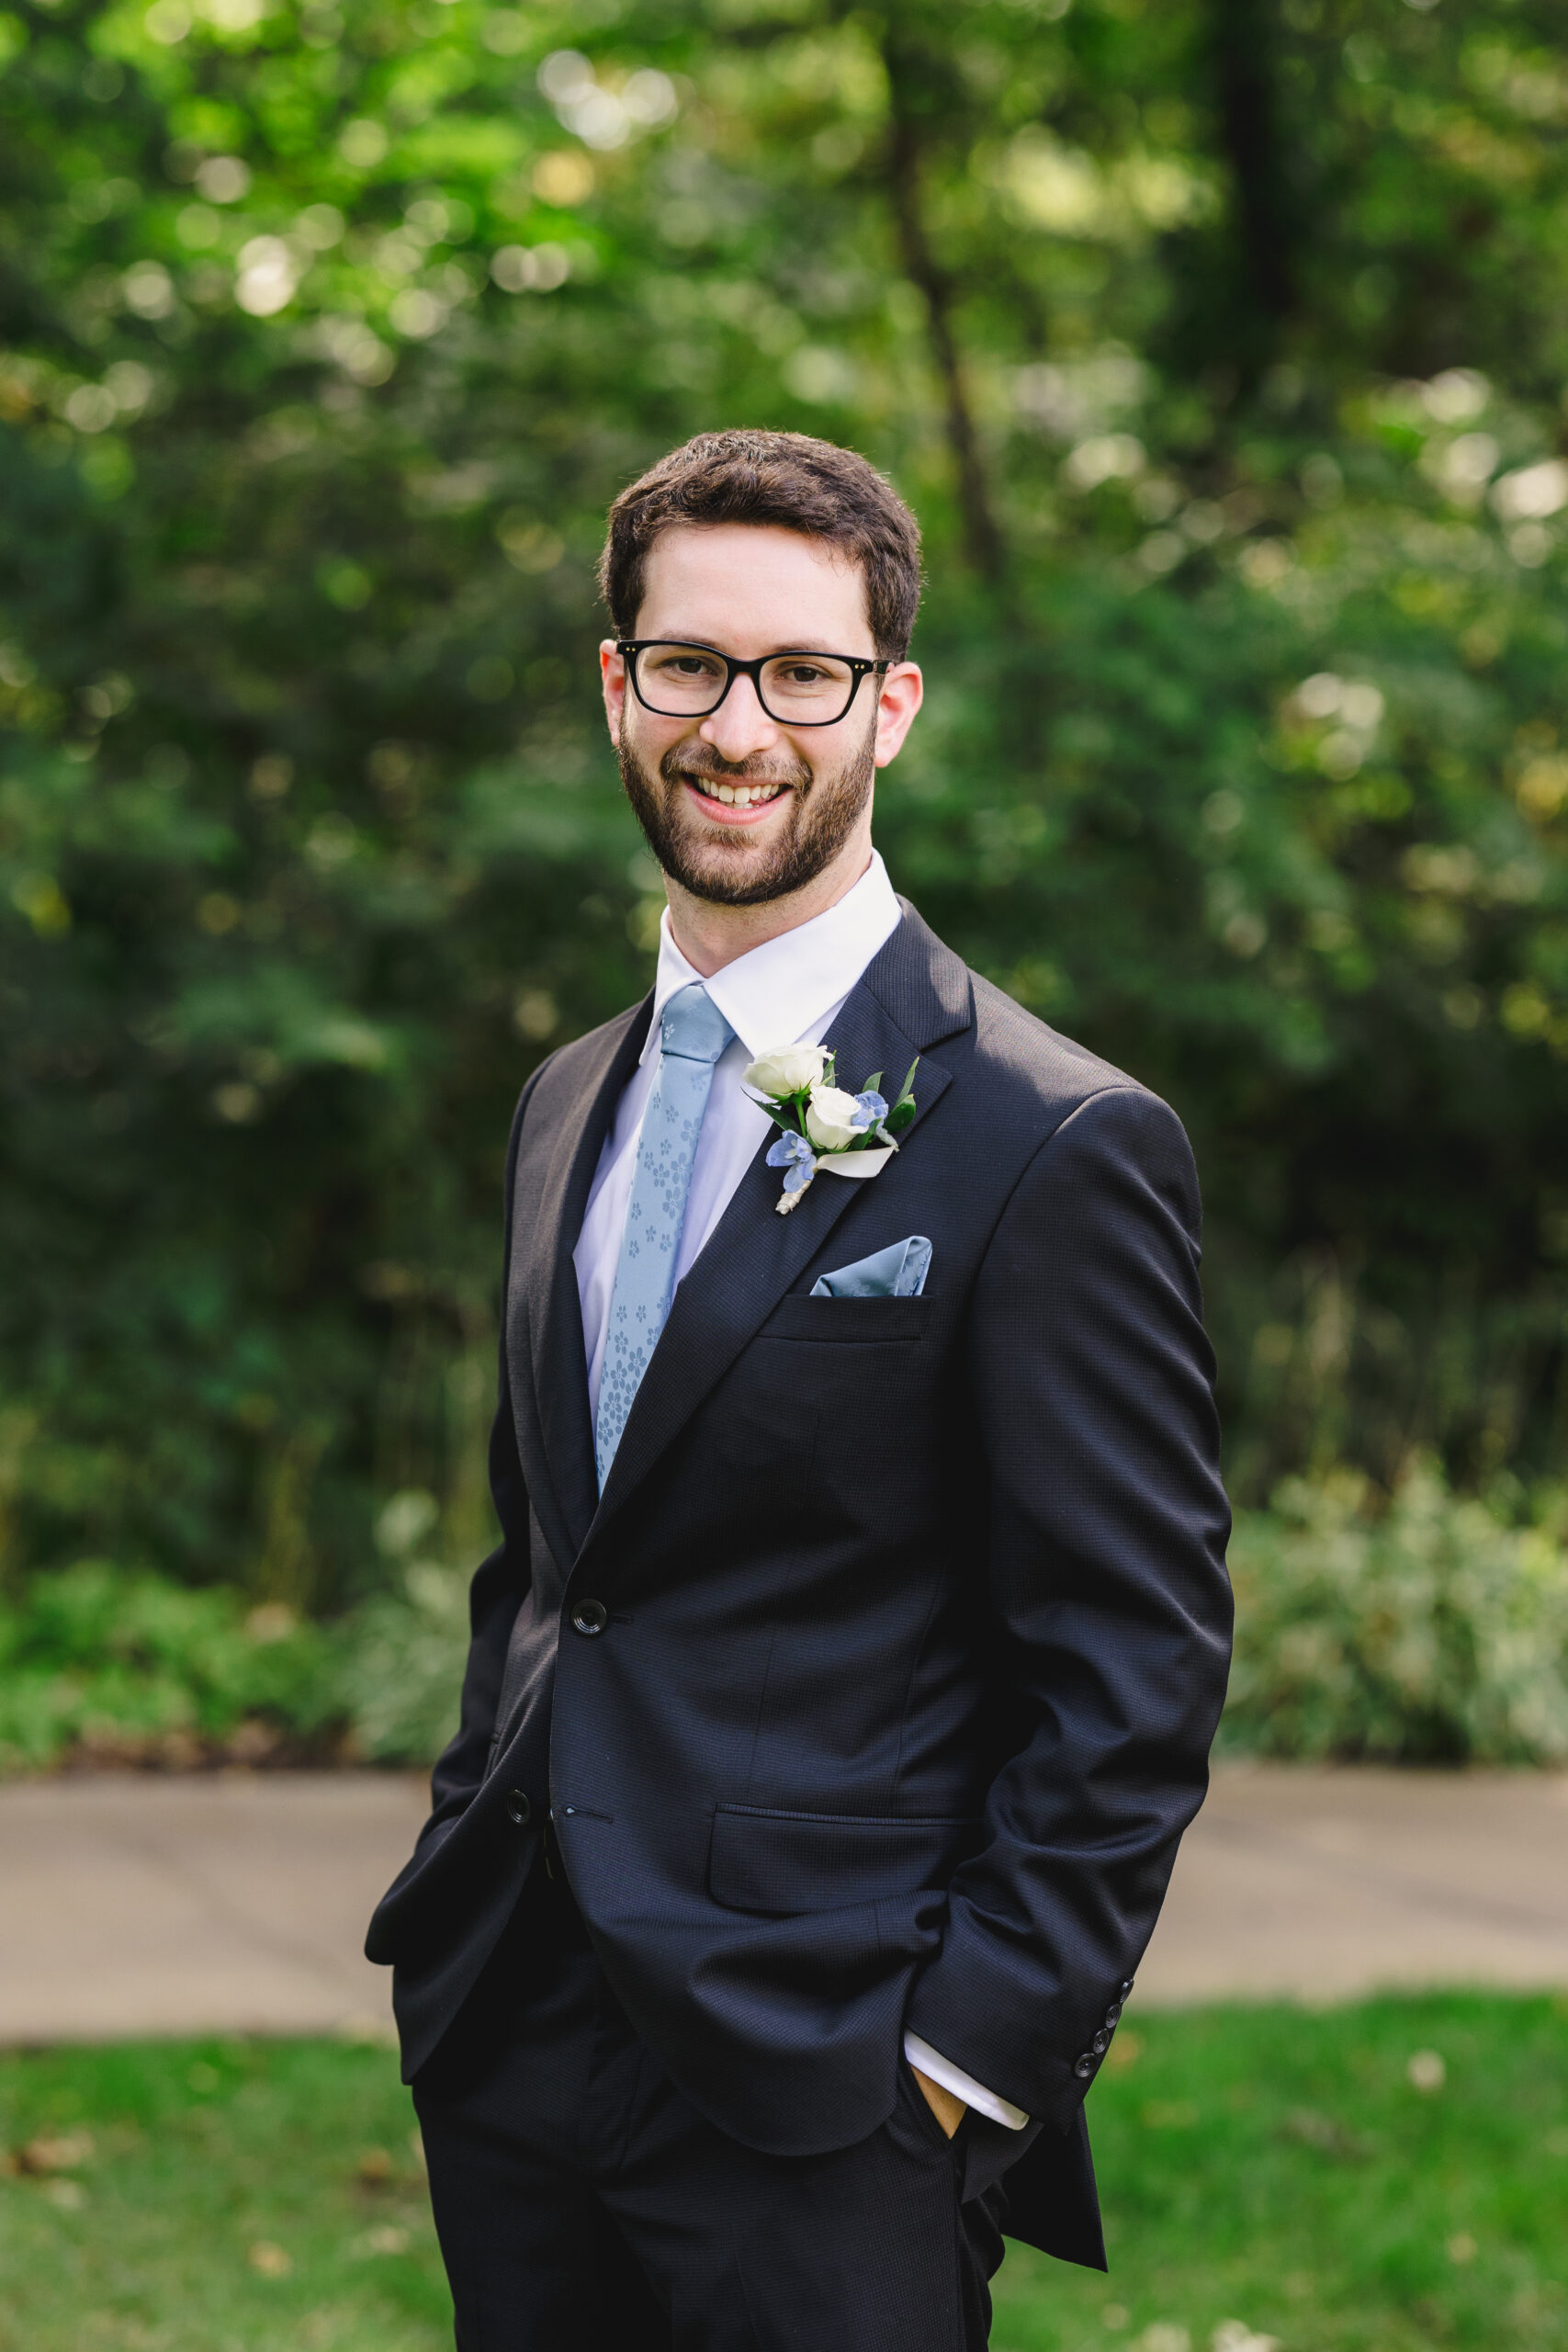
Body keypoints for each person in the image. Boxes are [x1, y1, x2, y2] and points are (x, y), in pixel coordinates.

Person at [367, 428, 1232, 2350]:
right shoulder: (566, 1099)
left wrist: (965, 2059)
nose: (737, 727)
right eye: (688, 663)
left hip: (834, 2092)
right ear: (618, 684)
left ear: (887, 707)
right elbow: (549, 1562)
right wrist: (460, 1872)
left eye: (803, 674)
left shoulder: (1050, 1136)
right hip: (516, 2041)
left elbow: (1133, 1658)